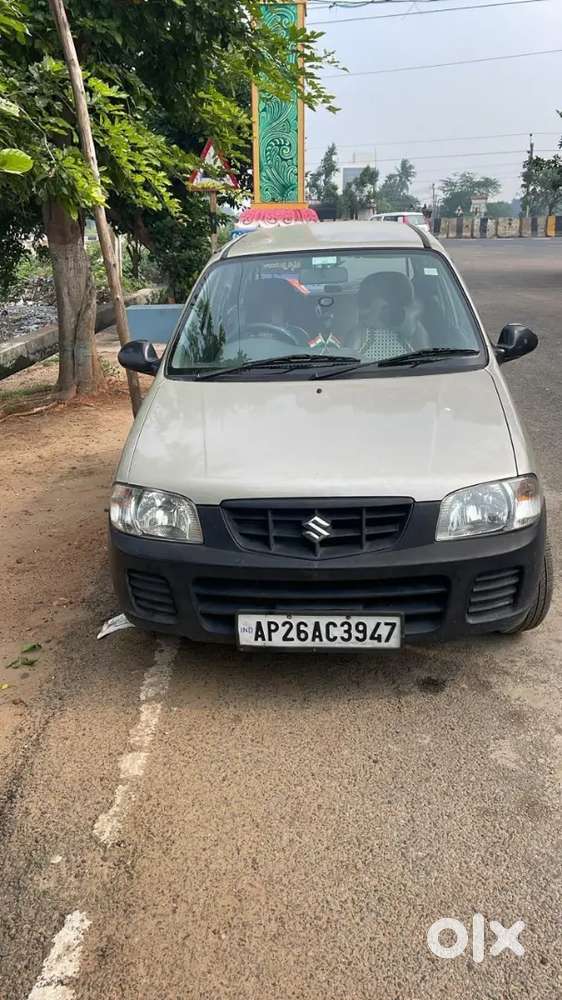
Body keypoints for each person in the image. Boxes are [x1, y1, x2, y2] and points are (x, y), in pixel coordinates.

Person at [349, 271, 429, 362]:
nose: (390, 312)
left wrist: (410, 322)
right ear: (370, 307)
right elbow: (349, 364)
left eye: (397, 306)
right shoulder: (361, 334)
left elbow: (426, 360)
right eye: (385, 307)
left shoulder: (416, 332)